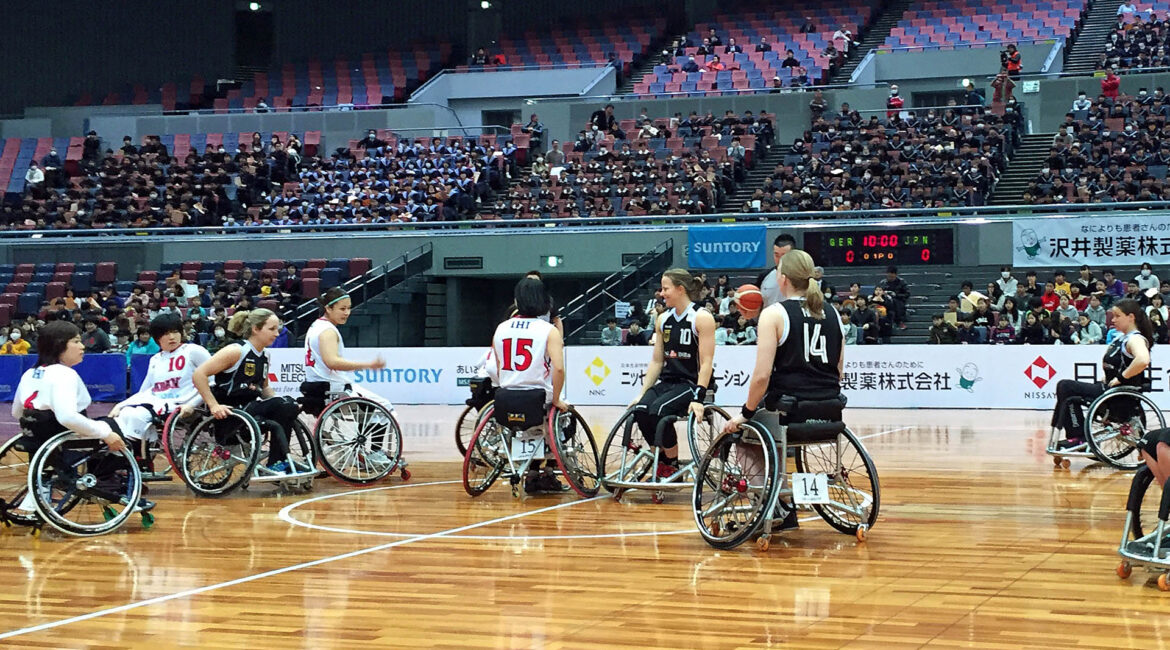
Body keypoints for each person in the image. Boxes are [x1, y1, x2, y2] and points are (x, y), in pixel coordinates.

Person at [723, 250, 843, 532]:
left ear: (783, 278)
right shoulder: (834, 313)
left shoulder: (774, 314)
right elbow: (839, 370)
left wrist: (745, 413)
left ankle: (775, 507)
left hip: (788, 409)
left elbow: (762, 376)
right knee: (767, 437)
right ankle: (783, 502)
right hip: (830, 409)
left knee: (742, 435)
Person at [10, 321, 154, 516]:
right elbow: (67, 417)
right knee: (118, 427)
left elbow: (17, 413)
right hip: (66, 439)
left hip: (35, 438)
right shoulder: (64, 374)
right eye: (76, 341)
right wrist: (106, 433)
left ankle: (45, 483)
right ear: (59, 345)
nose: (82, 346)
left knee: (107, 423)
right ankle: (110, 482)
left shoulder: (30, 373)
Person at [630, 269, 716, 478]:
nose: (661, 293)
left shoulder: (701, 317)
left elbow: (706, 362)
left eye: (665, 288)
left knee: (659, 411)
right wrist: (642, 392)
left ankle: (672, 463)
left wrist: (699, 397)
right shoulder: (663, 319)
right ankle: (663, 461)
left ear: (680, 289)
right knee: (641, 409)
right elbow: (657, 360)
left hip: (691, 383)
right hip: (668, 382)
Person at [192, 309, 301, 474]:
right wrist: (214, 405)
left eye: (277, 329)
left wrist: (283, 403)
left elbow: (264, 389)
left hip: (250, 410)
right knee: (284, 405)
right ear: (256, 329)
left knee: (288, 405)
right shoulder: (236, 351)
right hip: (231, 413)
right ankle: (276, 463)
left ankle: (278, 462)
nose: (277, 334)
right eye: (272, 329)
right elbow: (199, 374)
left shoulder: (265, 355)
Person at [491, 277, 569, 494]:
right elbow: (559, 369)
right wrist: (556, 399)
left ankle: (531, 472)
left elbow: (497, 367)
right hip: (536, 399)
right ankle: (548, 473)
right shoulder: (548, 330)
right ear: (545, 300)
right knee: (565, 418)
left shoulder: (501, 328)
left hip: (505, 398)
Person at [1050, 299, 1153, 449]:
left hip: (1118, 397)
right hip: (1109, 390)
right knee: (1067, 393)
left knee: (1065, 386)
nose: (1113, 319)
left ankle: (1078, 436)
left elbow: (1143, 360)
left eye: (1117, 316)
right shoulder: (1121, 338)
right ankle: (1075, 434)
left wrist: (1121, 377)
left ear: (1131, 317)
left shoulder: (1135, 339)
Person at [299, 288, 397, 433]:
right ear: (328, 308)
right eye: (342, 308)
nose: (347, 313)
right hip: (332, 387)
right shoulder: (327, 331)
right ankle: (376, 452)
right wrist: (368, 365)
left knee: (372, 410)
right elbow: (332, 362)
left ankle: (362, 445)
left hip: (318, 383)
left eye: (349, 308)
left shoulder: (316, 326)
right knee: (385, 408)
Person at [757, 233, 796, 307]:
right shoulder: (764, 276)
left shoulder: (802, 277)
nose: (780, 260)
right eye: (776, 255)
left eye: (784, 255)